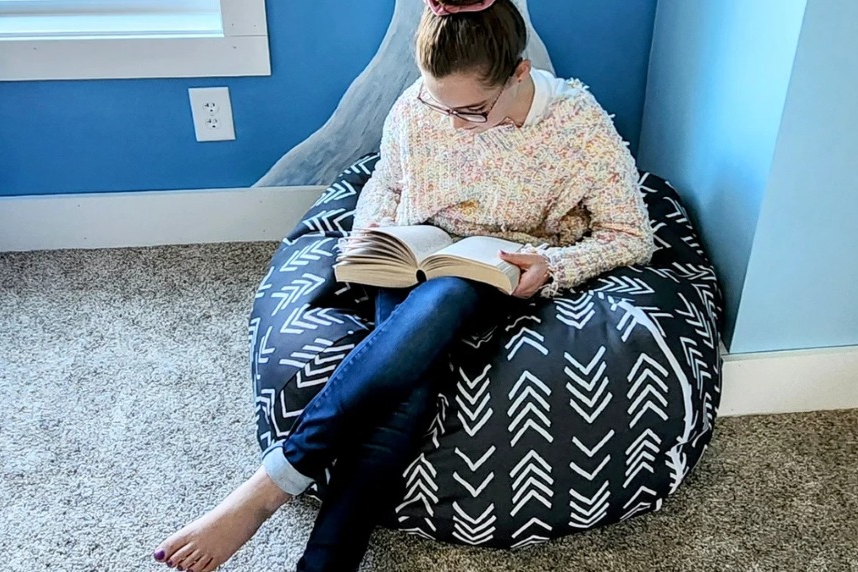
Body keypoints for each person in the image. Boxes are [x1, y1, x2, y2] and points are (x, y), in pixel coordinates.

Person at [152, 0, 655, 570]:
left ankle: (267, 489)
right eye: (437, 101)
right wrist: (370, 240)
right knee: (408, 382)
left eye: (471, 110)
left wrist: (551, 265)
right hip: (414, 253)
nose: (451, 120)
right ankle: (325, 562)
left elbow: (631, 236)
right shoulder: (417, 107)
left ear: (518, 73)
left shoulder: (577, 123)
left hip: (500, 270)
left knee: (447, 296)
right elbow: (386, 183)